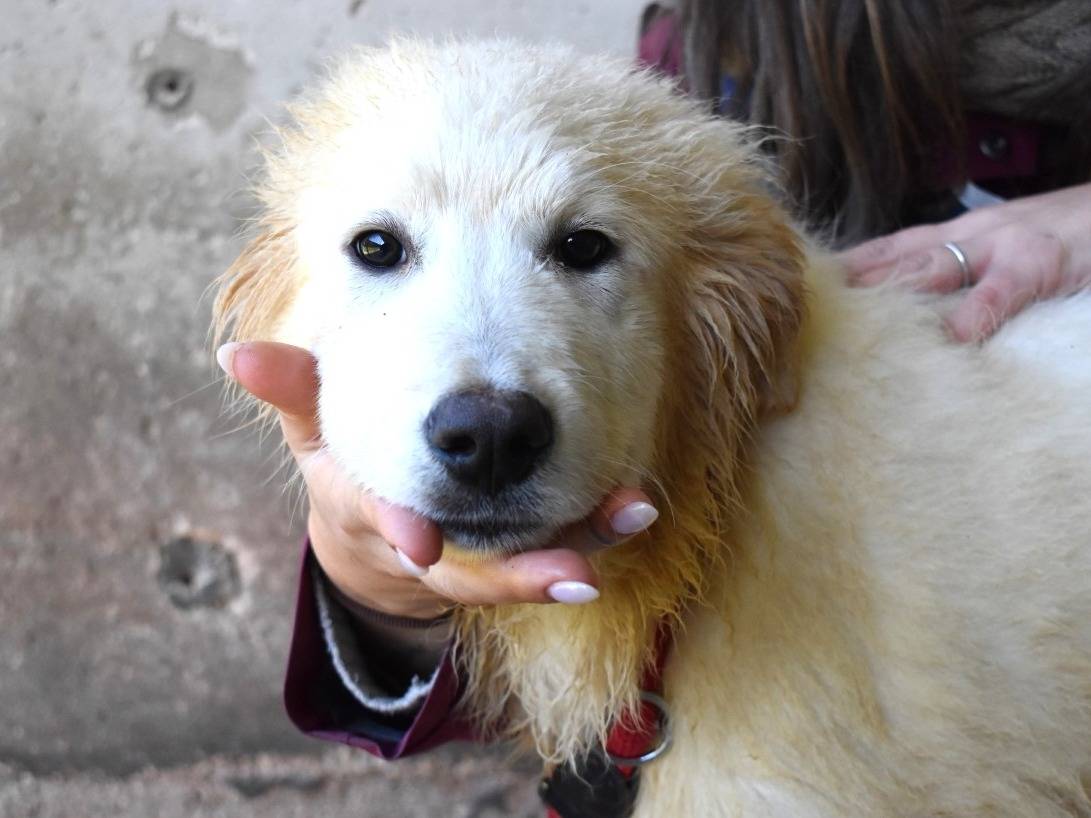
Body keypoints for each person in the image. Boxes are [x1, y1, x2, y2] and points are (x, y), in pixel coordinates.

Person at [216, 0, 1091, 765]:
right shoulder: (724, 52)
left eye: (580, 247)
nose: (485, 404)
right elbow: (539, 696)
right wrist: (382, 593)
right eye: (379, 249)